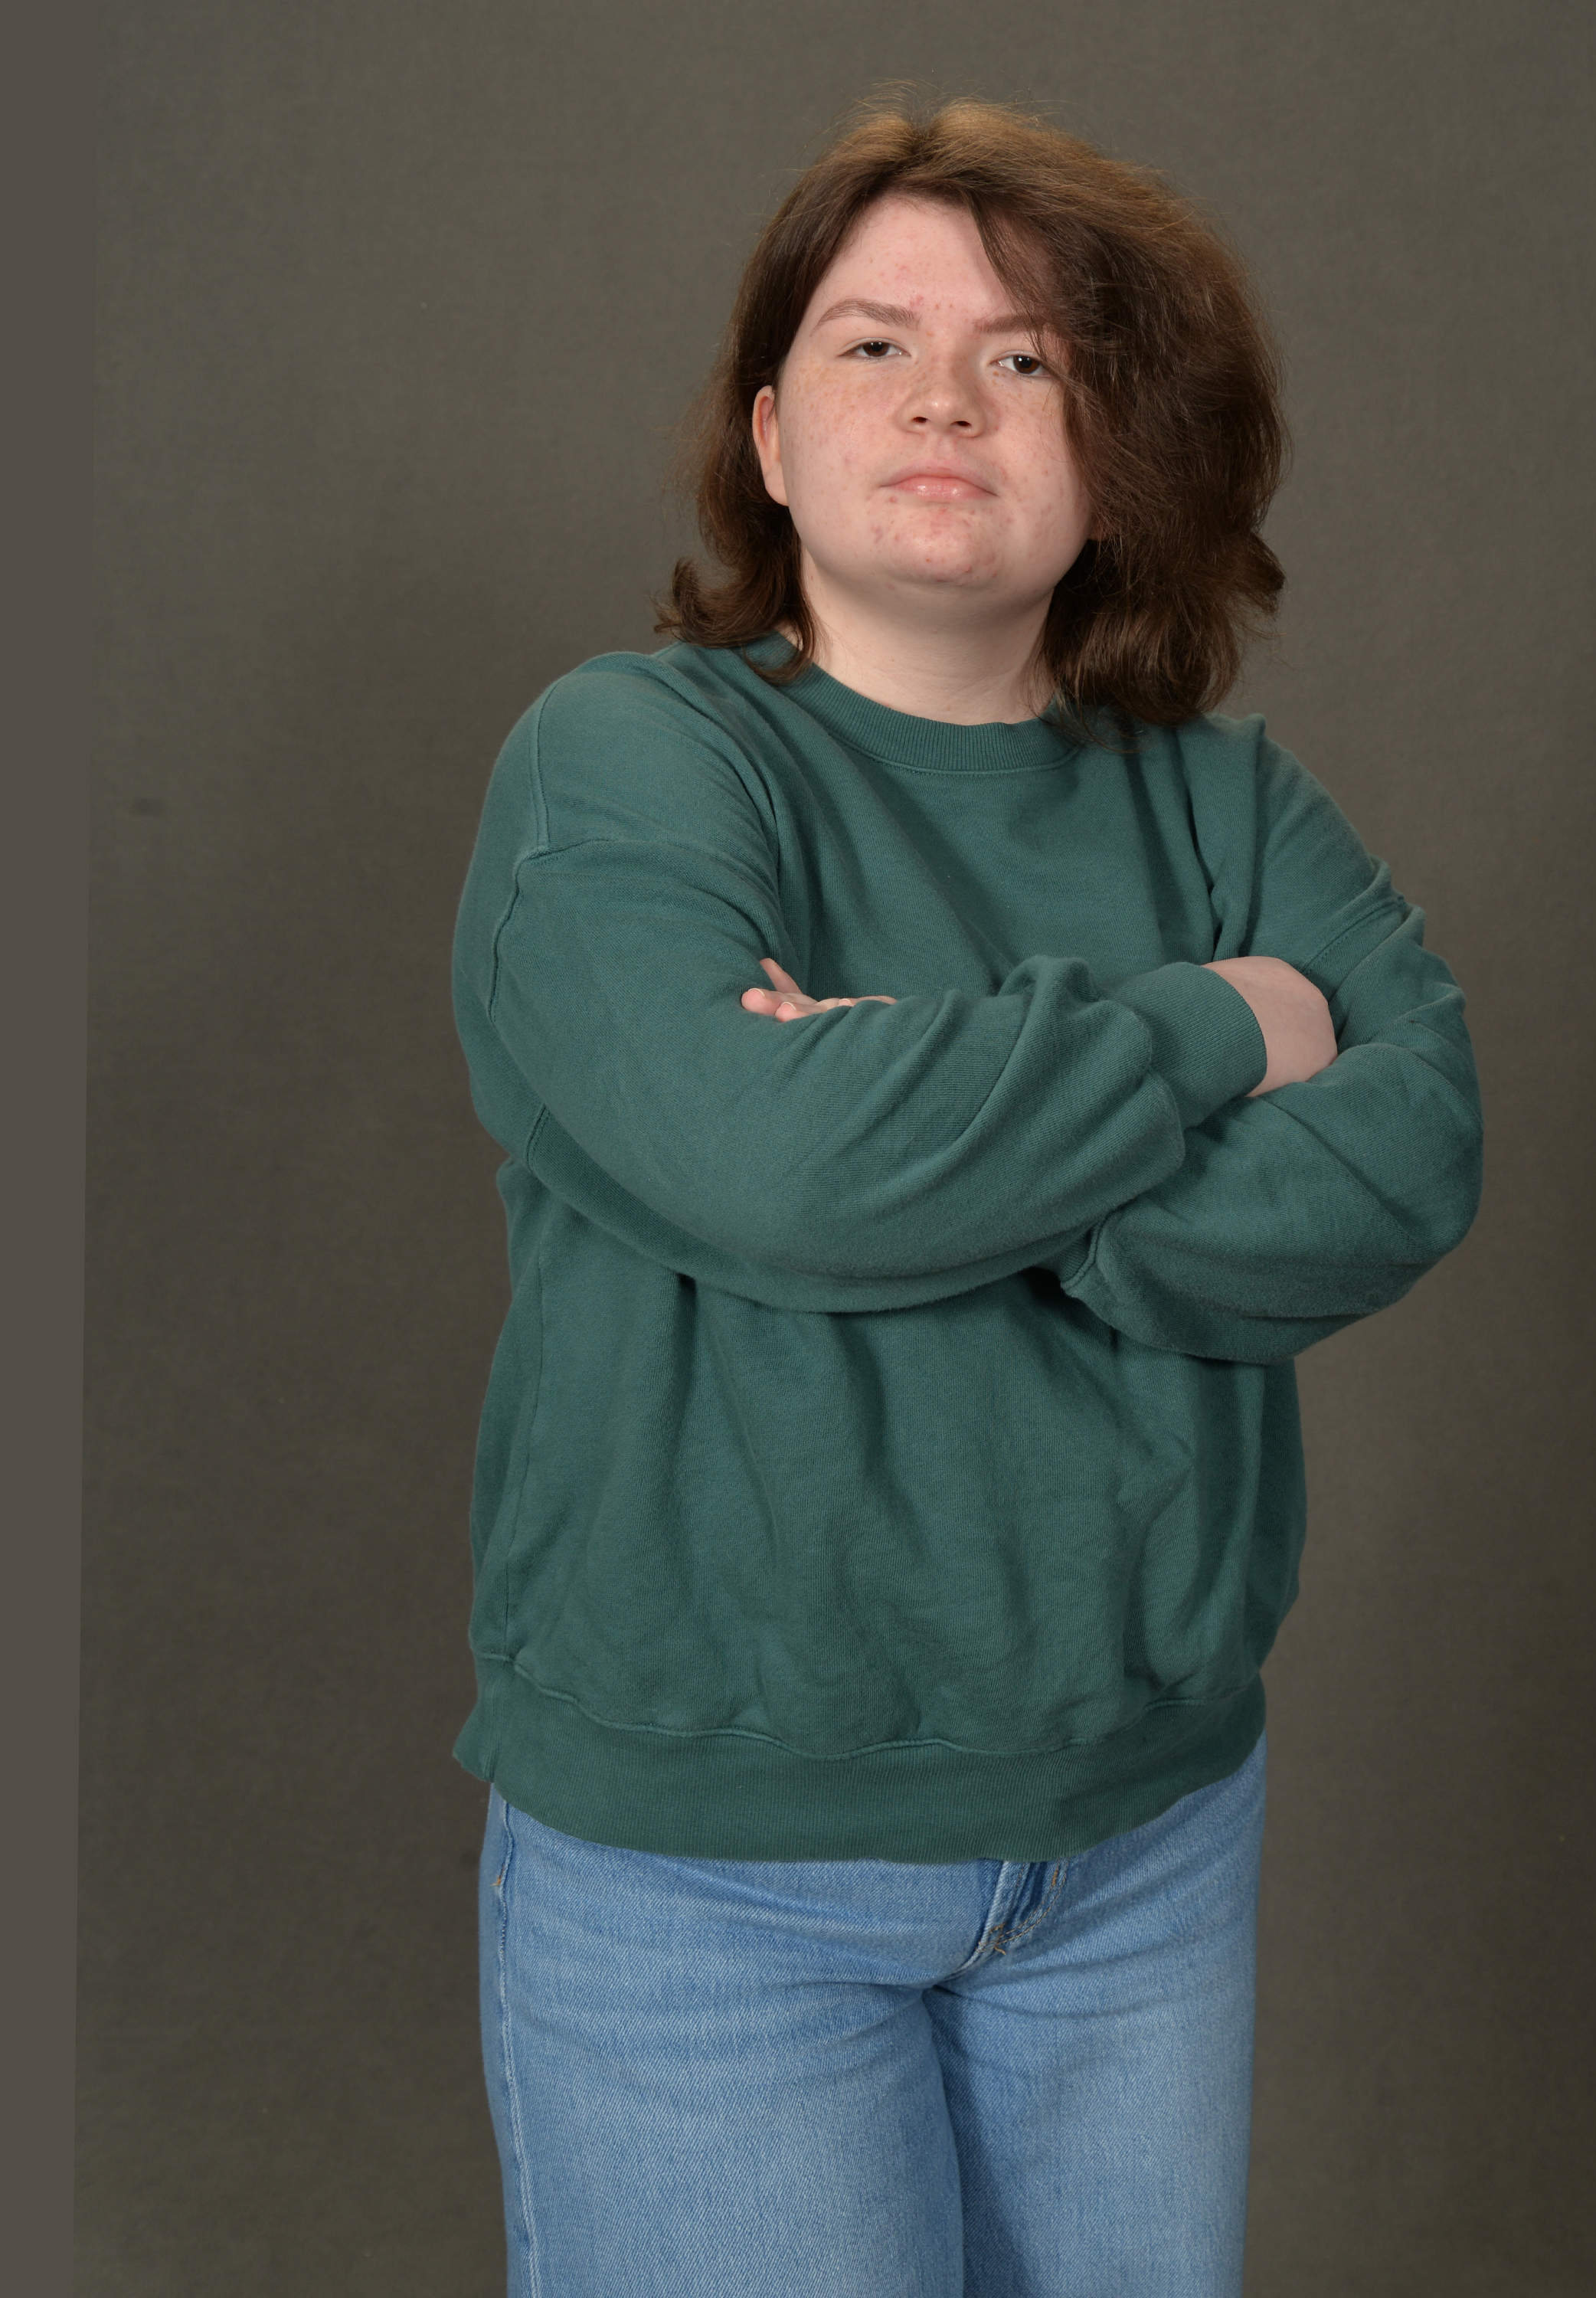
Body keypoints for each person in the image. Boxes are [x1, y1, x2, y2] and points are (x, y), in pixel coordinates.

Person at [451, 96, 1482, 2298]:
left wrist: (920, 1126)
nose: (945, 399)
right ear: (770, 433)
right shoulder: (631, 760)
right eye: (873, 344)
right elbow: (776, 1165)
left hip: (1144, 1847)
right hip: (714, 1875)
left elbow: (1411, 1163)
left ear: (1124, 449)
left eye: (1026, 357)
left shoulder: (1230, 800)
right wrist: (1217, 1029)